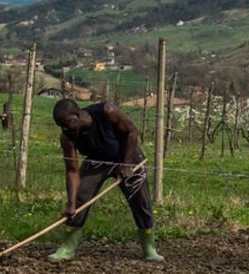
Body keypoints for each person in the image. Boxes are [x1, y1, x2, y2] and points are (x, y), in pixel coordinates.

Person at [48, 98, 163, 262]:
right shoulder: (67, 137)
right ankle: (67, 247)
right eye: (60, 125)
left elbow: (132, 132)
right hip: (96, 161)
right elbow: (72, 171)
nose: (65, 128)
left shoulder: (106, 112)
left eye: (67, 123)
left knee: (141, 200)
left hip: (126, 155)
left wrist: (126, 164)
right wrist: (71, 204)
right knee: (80, 197)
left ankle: (149, 248)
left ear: (77, 114)